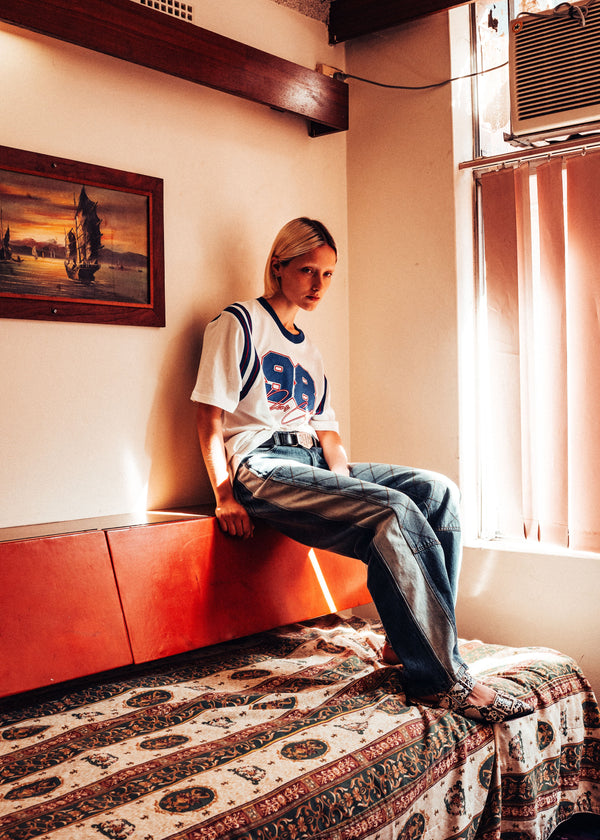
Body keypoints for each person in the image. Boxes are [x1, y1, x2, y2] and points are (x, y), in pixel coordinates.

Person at [191, 217, 533, 723]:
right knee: (393, 511)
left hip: (309, 458)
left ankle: (405, 643)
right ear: (278, 266)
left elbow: (328, 433)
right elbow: (208, 415)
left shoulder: (307, 346)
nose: (318, 285)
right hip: (261, 464)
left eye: (328, 274)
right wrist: (224, 493)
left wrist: (347, 484)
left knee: (437, 492)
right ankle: (442, 679)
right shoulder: (238, 323)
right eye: (308, 270)